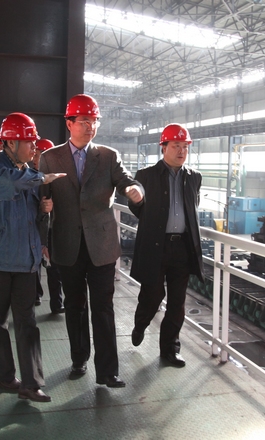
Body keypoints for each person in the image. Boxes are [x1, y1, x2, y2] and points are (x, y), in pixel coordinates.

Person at [39, 94, 144, 388]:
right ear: (69, 123)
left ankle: (108, 371)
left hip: (102, 245)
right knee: (74, 306)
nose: (90, 126)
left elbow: (126, 180)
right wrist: (43, 212)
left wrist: (136, 190)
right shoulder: (50, 158)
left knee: (103, 307)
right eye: (84, 121)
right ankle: (79, 358)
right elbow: (40, 196)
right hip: (67, 244)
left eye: (94, 121)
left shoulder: (108, 156)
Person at [0, 112, 66, 403]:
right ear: (10, 143)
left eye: (33, 142)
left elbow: (31, 214)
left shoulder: (28, 173)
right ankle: (3, 375)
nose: (33, 147)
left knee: (28, 324)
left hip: (26, 262)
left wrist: (43, 209)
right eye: (28, 142)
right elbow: (12, 183)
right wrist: (42, 178)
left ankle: (31, 383)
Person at [129, 124, 204, 367]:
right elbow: (136, 209)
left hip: (182, 247)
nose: (181, 151)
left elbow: (192, 208)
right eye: (176, 146)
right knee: (152, 295)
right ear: (163, 147)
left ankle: (170, 349)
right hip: (156, 246)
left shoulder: (194, 177)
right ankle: (141, 323)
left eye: (185, 147)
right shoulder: (146, 176)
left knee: (177, 302)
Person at [31, 138, 64, 313]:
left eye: (41, 155)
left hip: (51, 230)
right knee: (33, 265)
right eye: (36, 155)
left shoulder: (57, 178)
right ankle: (35, 295)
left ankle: (56, 303)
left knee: (53, 268)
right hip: (32, 228)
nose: (37, 159)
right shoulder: (28, 177)